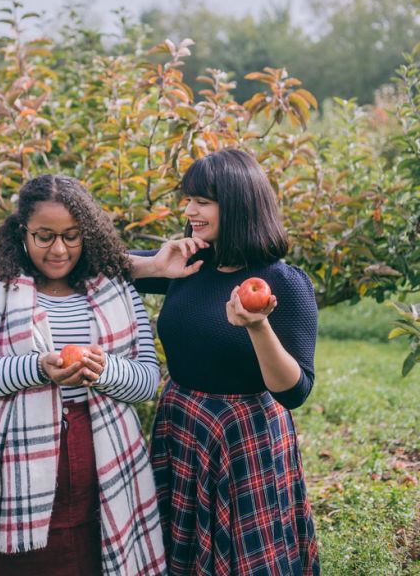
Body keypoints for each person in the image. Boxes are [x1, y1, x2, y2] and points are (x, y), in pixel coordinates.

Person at [0, 174, 167, 576]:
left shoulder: (114, 287)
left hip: (103, 451)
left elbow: (146, 381)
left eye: (71, 235)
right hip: (20, 456)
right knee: (28, 563)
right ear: (22, 232)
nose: (59, 249)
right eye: (44, 236)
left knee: (97, 556)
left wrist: (104, 370)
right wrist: (38, 368)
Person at [130, 148, 320, 576]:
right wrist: (154, 265)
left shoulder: (283, 283)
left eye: (202, 200)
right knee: (180, 544)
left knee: (242, 557)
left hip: (244, 436)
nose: (190, 210)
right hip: (182, 421)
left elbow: (295, 391)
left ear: (237, 203)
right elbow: (98, 264)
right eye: (189, 199)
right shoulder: (191, 263)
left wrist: (257, 327)